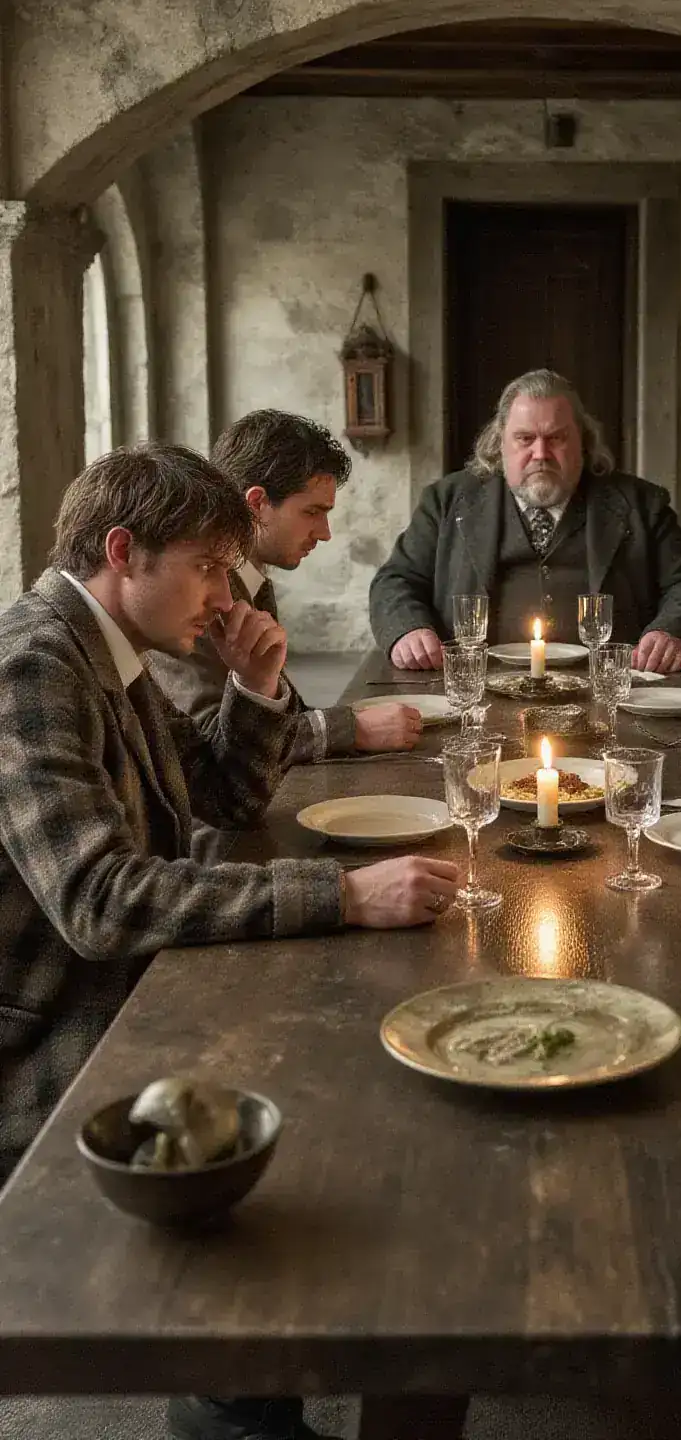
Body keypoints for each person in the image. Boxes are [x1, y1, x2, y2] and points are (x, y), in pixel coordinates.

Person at [0, 444, 458, 1440]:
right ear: (124, 550)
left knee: (348, 1025)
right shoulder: (36, 657)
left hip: (117, 977)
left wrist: (255, 685)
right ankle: (234, 1400)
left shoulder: (108, 648)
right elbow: (99, 900)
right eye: (208, 566)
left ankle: (274, 1376)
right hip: (47, 1030)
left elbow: (219, 796)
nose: (223, 592)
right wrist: (336, 891)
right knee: (314, 1062)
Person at [369, 369, 681, 674]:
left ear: (583, 442)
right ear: (499, 443)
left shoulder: (642, 504)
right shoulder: (445, 501)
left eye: (556, 438)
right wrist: (408, 629)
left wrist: (671, 631)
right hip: (479, 689)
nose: (540, 453)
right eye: (525, 439)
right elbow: (395, 580)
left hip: (610, 691)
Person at [149, 410, 420, 763]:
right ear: (257, 503)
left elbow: (278, 715)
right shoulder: (197, 594)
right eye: (311, 512)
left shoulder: (253, 578)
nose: (325, 533)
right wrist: (352, 728)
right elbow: (214, 741)